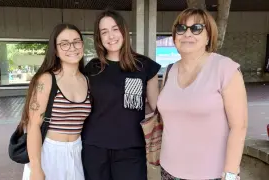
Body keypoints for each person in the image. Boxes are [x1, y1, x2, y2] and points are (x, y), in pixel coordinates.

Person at [157, 8, 248, 180]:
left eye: (196, 28)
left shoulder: (225, 69)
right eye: (181, 28)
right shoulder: (170, 70)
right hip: (169, 170)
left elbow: (239, 127)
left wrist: (230, 174)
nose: (187, 34)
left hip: (211, 174)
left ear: (208, 36)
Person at [82, 9, 161, 180]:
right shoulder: (92, 68)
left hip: (131, 149)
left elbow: (157, 108)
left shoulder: (145, 66)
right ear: (99, 38)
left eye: (115, 29)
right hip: (95, 148)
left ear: (124, 31)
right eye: (104, 32)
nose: (111, 36)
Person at [19, 23, 91, 180]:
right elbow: (33, 125)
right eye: (64, 44)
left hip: (77, 152)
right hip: (49, 152)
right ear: (56, 50)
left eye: (76, 41)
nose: (72, 47)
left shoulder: (87, 80)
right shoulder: (47, 79)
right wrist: (36, 168)